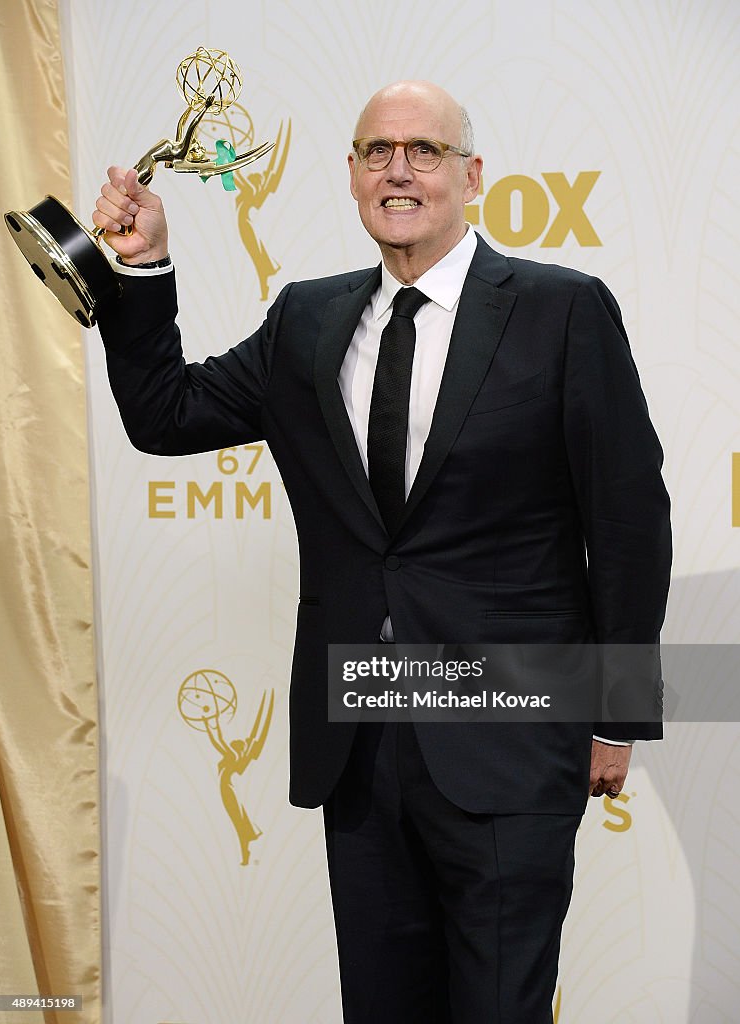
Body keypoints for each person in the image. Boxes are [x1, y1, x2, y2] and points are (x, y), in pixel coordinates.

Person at [93, 80, 671, 1023]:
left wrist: (616, 714)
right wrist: (145, 270)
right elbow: (166, 418)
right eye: (375, 151)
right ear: (353, 175)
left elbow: (628, 523)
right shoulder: (305, 321)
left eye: (424, 151)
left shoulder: (561, 311)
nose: (397, 170)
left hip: (512, 736)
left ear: (471, 174)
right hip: (358, 744)